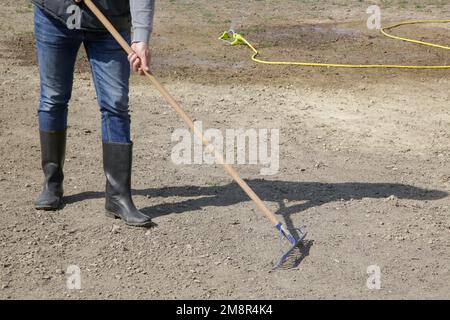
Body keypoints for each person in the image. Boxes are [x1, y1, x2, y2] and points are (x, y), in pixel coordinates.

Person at [31, 0, 155, 227]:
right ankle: (52, 182)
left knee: (116, 103)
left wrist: (140, 38)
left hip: (110, 23)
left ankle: (118, 197)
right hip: (55, 16)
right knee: (53, 98)